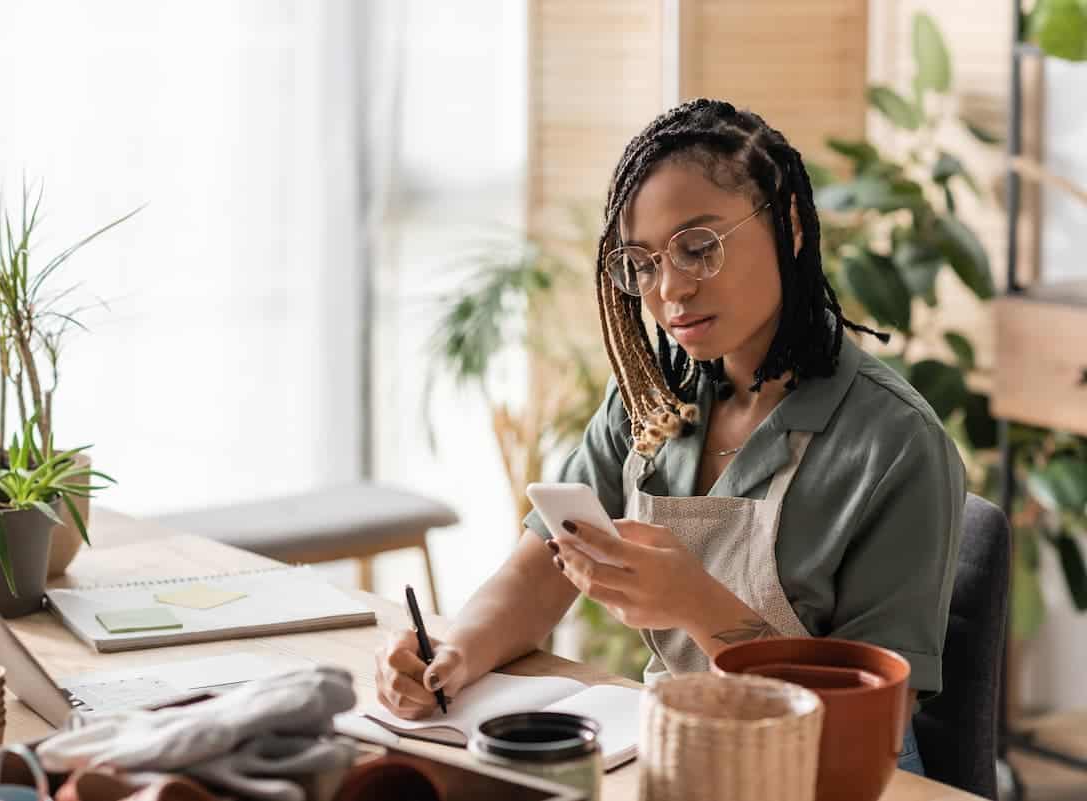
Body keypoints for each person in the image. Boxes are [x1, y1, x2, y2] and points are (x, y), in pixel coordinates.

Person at [374, 99, 964, 776]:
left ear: (790, 225)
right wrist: (454, 653)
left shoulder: (895, 443)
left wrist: (695, 602)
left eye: (699, 248)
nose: (670, 290)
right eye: (643, 263)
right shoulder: (651, 399)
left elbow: (867, 728)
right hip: (690, 752)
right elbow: (538, 574)